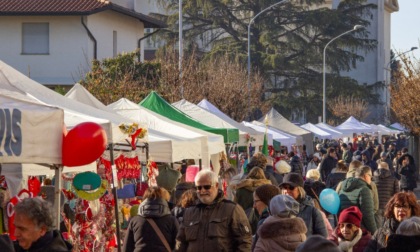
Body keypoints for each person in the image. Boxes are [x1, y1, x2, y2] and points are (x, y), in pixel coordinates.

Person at [176, 170, 252, 251]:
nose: (202, 191)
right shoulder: (189, 212)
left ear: (216, 185)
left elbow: (245, 242)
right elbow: (181, 243)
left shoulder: (232, 210)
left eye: (207, 187)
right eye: (198, 187)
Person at [123, 186, 179, 252]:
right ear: (165, 201)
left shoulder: (135, 221)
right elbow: (178, 245)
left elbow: (127, 248)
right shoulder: (171, 220)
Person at [280, 173, 328, 237]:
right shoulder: (277, 209)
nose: (287, 191)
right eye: (285, 187)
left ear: (300, 190)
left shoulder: (312, 211)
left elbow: (322, 237)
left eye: (291, 188)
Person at [337, 166, 377, 234]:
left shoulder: (343, 188)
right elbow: (367, 214)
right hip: (358, 230)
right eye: (370, 176)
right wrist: (375, 232)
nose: (371, 179)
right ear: (366, 176)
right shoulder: (364, 190)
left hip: (344, 229)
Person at [231, 167, 271, 234]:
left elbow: (234, 206)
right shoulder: (266, 190)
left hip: (244, 221)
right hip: (262, 220)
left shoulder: (240, 190)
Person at [251, 184, 282, 251]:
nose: (254, 206)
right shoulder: (286, 218)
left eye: (256, 201)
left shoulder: (265, 223)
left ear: (266, 201)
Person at [373, 162, 399, 227]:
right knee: (387, 226)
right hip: (388, 205)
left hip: (376, 205)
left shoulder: (372, 179)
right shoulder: (393, 179)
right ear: (388, 169)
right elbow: (397, 194)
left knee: (378, 226)